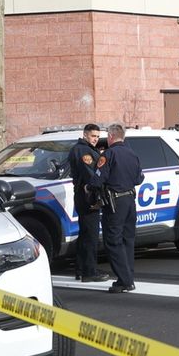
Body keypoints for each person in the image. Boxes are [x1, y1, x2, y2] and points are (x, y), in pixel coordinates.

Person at [88, 123, 144, 293]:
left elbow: (97, 180)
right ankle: (128, 276)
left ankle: (124, 281)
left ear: (111, 137)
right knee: (128, 240)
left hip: (115, 203)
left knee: (113, 240)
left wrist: (89, 188)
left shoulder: (109, 154)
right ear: (123, 136)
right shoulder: (132, 154)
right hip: (130, 200)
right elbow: (139, 179)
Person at [68, 124, 109, 282]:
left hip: (83, 195)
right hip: (88, 196)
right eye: (93, 136)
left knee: (85, 234)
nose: (96, 139)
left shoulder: (83, 149)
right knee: (90, 235)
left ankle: (81, 269)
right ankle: (89, 272)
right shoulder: (83, 151)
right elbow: (91, 175)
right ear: (85, 135)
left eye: (98, 137)